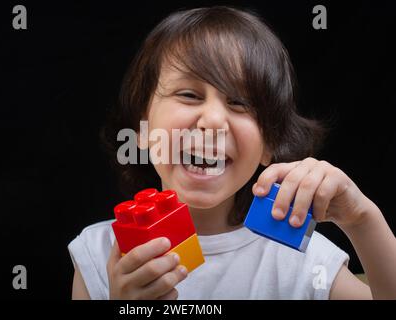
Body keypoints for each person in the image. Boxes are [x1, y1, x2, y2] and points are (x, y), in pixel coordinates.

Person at [68, 6, 396, 299]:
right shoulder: (100, 255)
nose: (213, 120)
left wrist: (362, 219)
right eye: (189, 94)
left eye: (239, 103)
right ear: (141, 128)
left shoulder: (302, 258)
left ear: (270, 144)